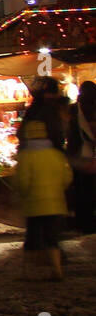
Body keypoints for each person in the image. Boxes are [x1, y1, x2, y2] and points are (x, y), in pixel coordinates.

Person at [14, 118, 73, 281]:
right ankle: (56, 269)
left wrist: (22, 193)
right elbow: (67, 177)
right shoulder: (56, 155)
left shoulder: (26, 157)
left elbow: (23, 181)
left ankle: (27, 272)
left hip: (34, 204)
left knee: (32, 239)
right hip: (54, 203)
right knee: (51, 238)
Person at [67, 80, 96, 234]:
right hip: (86, 155)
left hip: (76, 156)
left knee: (81, 190)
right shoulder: (87, 109)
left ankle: (82, 221)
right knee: (88, 190)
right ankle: (87, 221)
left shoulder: (73, 110)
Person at [23, 76, 67, 151]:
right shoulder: (55, 108)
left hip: (34, 154)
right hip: (52, 153)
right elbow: (59, 133)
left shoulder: (34, 109)